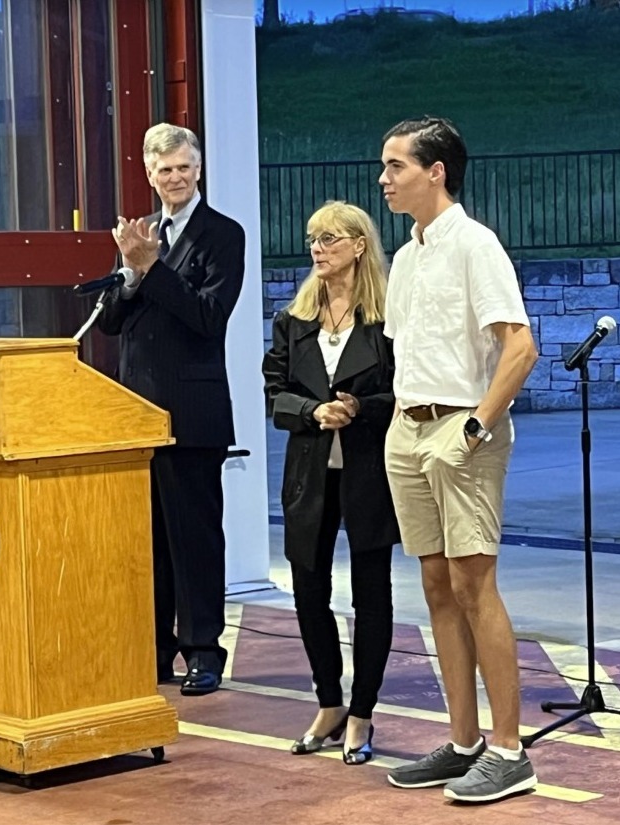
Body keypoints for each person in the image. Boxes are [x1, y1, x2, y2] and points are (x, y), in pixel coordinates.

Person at [379, 116, 539, 802]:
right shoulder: (408, 256)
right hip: (408, 427)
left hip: (459, 430)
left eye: (395, 166)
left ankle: (509, 752)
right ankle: (465, 741)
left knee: (475, 585)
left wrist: (473, 428)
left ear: (435, 171)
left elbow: (520, 347)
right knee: (437, 587)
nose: (384, 179)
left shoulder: (475, 244)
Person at [98, 123, 245, 696]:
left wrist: (152, 269)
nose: (176, 177)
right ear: (149, 174)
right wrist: (132, 273)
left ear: (199, 169)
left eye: (184, 167)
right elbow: (111, 322)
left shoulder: (223, 234)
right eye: (165, 170)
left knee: (194, 539)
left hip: (193, 414)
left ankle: (204, 651)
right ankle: (155, 648)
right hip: (137, 413)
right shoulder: (141, 233)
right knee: (149, 542)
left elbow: (208, 317)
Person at [262, 201, 399, 764]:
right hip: (308, 474)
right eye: (313, 239)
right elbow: (275, 395)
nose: (317, 249)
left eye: (330, 239)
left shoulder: (387, 319)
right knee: (308, 589)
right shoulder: (293, 320)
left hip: (369, 471)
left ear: (359, 246)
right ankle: (329, 703)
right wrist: (313, 411)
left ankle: (362, 712)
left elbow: (404, 391)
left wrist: (361, 407)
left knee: (372, 594)